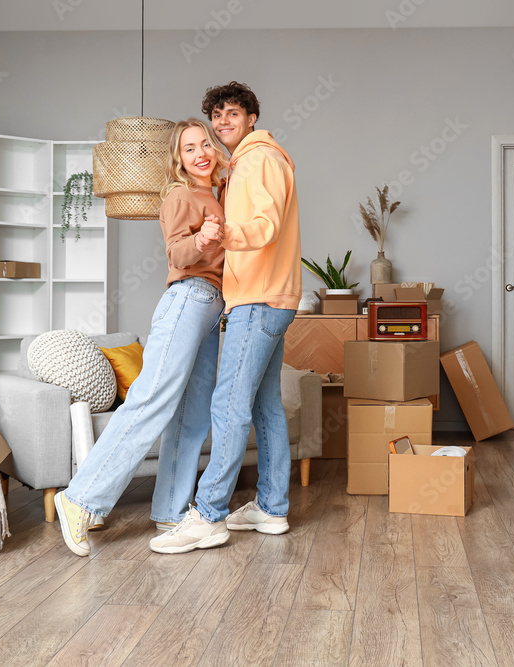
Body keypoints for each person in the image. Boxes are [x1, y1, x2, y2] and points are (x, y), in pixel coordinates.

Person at [55, 118, 230, 557]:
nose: (200, 154)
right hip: (188, 300)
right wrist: (204, 240)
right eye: (188, 149)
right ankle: (78, 500)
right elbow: (177, 252)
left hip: (213, 309)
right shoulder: (178, 194)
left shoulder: (221, 192)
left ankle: (172, 511)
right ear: (179, 159)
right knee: (151, 399)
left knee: (193, 415)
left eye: (205, 144)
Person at [149, 82, 301, 554]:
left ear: (251, 117)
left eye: (232, 113)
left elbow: (267, 225)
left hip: (257, 299)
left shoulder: (258, 159)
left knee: (228, 404)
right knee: (264, 405)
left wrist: (226, 233)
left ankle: (209, 514)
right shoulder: (245, 163)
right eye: (216, 115)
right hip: (272, 296)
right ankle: (272, 508)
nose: (222, 122)